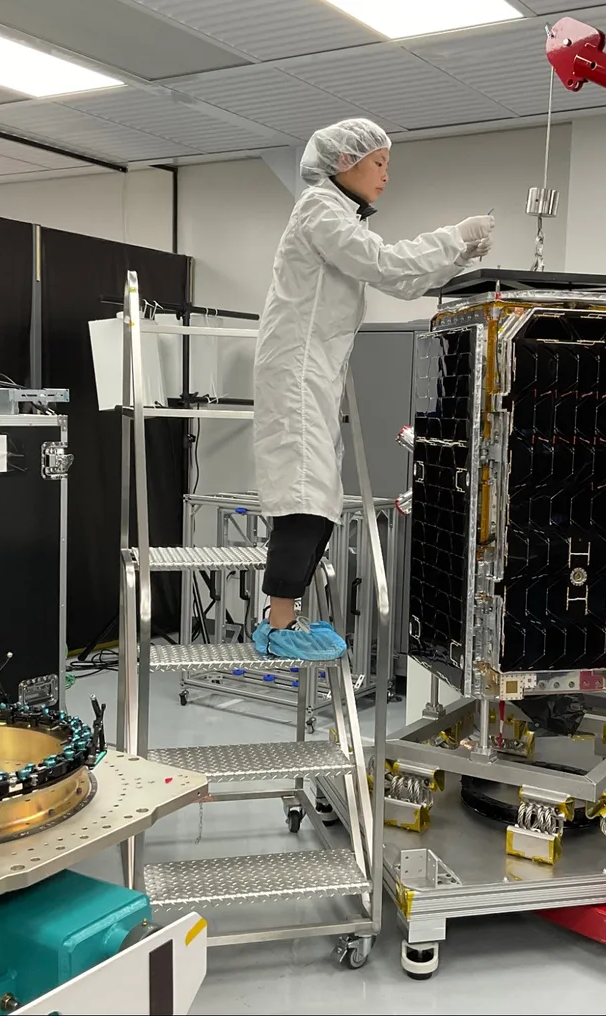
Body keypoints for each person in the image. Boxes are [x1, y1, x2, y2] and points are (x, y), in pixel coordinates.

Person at [252, 118, 495, 660]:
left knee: (321, 496)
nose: (387, 174)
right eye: (379, 162)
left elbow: (400, 279)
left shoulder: (340, 217)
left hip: (315, 370)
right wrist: (452, 237)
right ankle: (275, 625)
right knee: (305, 495)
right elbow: (385, 266)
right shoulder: (318, 209)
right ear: (345, 163)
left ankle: (283, 620)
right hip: (296, 371)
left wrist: (458, 257)